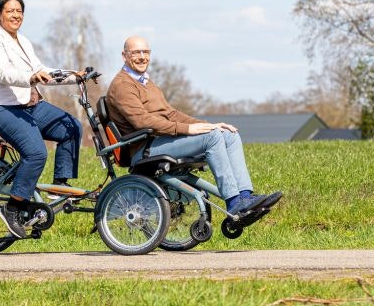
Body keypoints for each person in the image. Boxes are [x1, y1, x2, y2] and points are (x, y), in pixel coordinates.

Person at [105, 35, 281, 216]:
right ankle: (234, 202)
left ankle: (245, 197)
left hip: (159, 141)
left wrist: (209, 125)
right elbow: (142, 122)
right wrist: (187, 129)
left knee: (229, 134)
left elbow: (171, 114)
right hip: (144, 149)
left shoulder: (147, 83)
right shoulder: (123, 85)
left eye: (146, 52)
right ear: (124, 55)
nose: (142, 57)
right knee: (212, 138)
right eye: (136, 52)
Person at [0, 0, 84, 238]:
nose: (16, 15)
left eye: (19, 11)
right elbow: (2, 73)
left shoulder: (23, 41)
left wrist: (73, 76)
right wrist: (29, 78)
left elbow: (42, 71)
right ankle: (13, 207)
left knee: (72, 127)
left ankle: (59, 188)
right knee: (36, 152)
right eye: (10, 11)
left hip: (27, 105)